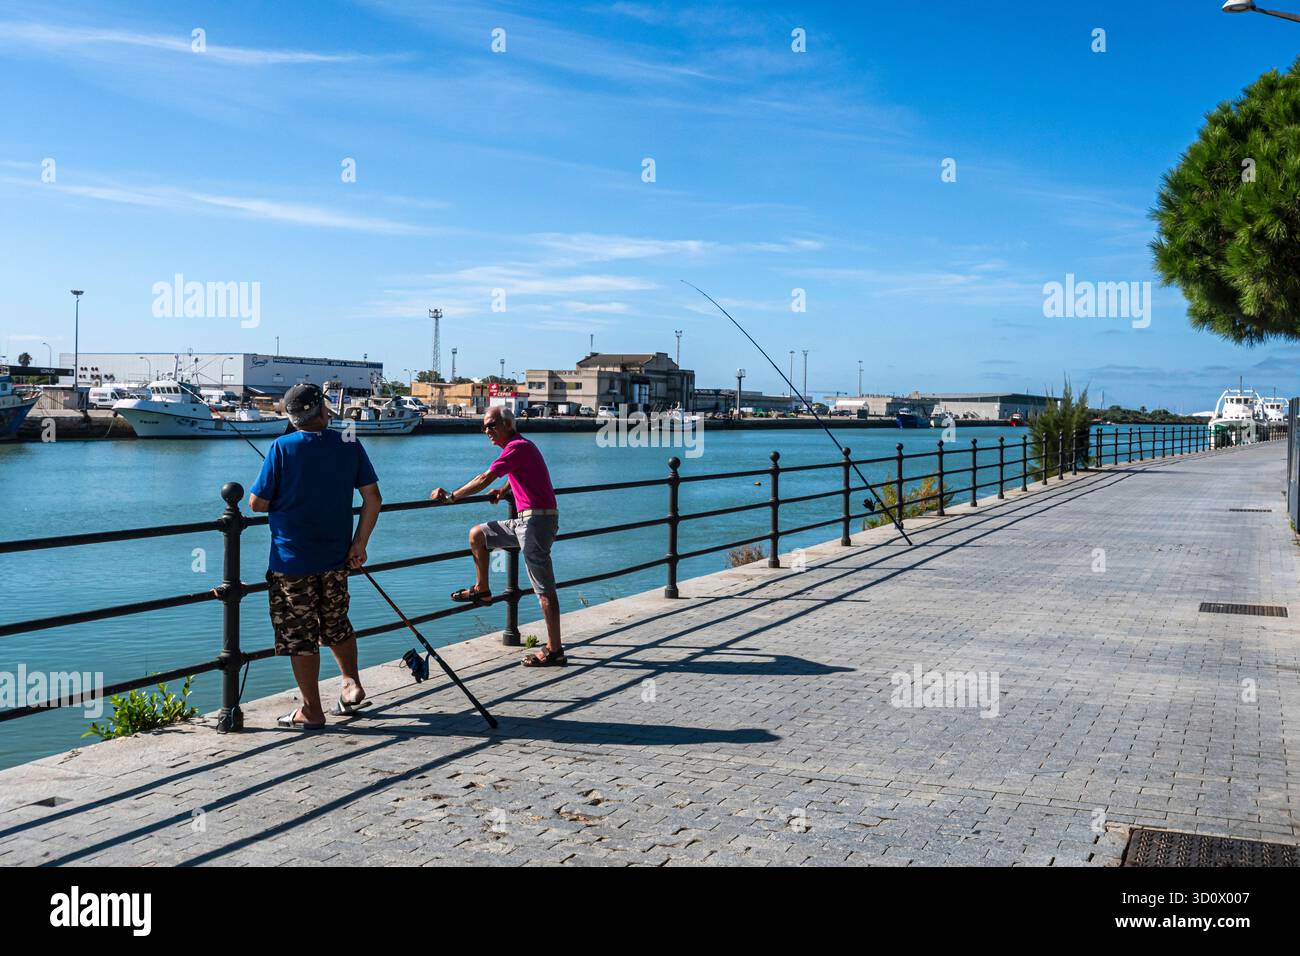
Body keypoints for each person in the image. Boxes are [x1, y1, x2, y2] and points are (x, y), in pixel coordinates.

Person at [249, 382, 382, 728]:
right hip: (337, 557)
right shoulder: (349, 445)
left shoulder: (281, 448)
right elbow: (373, 499)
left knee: (299, 634)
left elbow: (257, 503)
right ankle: (350, 682)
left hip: (291, 562)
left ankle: (311, 710)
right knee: (336, 622)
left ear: (293, 418)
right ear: (322, 411)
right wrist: (359, 544)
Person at [430, 406, 564, 666]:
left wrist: (451, 497)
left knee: (544, 589)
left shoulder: (517, 447)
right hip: (528, 522)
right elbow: (516, 474)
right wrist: (503, 491)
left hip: (535, 523)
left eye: (491, 425)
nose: (487, 431)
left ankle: (555, 649)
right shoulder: (519, 448)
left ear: (507, 424)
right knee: (477, 535)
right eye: (484, 427)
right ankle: (483, 590)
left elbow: (483, 478)